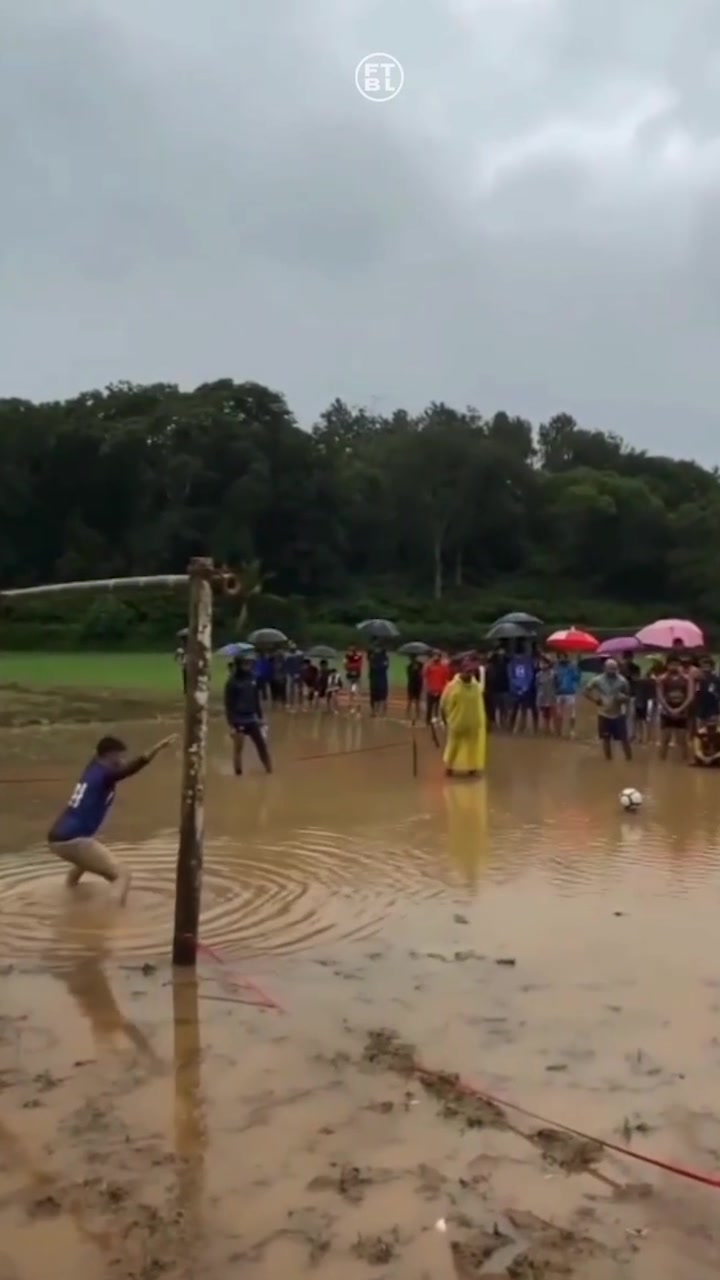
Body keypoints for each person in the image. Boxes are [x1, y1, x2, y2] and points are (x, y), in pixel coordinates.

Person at [48, 733, 176, 903]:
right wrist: (155, 750)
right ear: (110, 756)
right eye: (120, 757)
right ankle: (113, 919)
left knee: (84, 863)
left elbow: (108, 760)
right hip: (74, 839)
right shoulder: (105, 774)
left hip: (57, 838)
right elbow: (130, 769)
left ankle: (69, 895)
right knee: (122, 875)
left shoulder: (92, 767)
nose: (123, 761)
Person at [224, 657, 272, 776]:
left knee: (261, 745)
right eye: (245, 664)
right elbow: (228, 704)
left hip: (252, 718)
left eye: (249, 664)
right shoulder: (232, 682)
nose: (248, 666)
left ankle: (269, 770)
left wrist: (260, 717)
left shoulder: (252, 679)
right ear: (239, 665)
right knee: (238, 749)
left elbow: (256, 700)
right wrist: (231, 724)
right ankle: (238, 774)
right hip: (238, 719)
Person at [439, 658, 487, 779]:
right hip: (457, 722)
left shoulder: (475, 686)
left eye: (471, 672)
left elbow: (481, 694)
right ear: (461, 672)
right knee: (453, 745)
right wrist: (444, 719)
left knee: (472, 747)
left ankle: (472, 768)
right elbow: (443, 703)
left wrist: (482, 673)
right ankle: (449, 767)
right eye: (467, 671)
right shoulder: (452, 686)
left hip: (473, 722)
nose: (469, 674)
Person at [584, 658, 632, 760]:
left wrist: (623, 701)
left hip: (618, 714)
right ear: (604, 668)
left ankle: (629, 760)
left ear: (617, 669)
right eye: (609, 669)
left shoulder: (622, 681)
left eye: (614, 669)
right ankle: (608, 761)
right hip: (604, 713)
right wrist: (595, 700)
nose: (611, 672)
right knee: (606, 739)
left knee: (624, 739)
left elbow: (628, 697)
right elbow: (586, 691)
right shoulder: (597, 680)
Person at [656, 653, 694, 761]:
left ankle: (685, 763)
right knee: (665, 740)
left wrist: (679, 709)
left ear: (679, 665)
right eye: (671, 664)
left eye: (676, 664)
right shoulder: (661, 679)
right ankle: (661, 763)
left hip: (682, 711)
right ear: (667, 665)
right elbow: (660, 696)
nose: (673, 666)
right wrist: (669, 709)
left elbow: (690, 696)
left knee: (683, 741)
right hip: (666, 712)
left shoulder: (687, 679)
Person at [508, 643, 537, 733]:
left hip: (525, 689)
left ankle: (522, 726)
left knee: (524, 709)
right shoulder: (511, 663)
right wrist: (518, 687)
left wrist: (525, 687)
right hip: (515, 690)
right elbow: (511, 676)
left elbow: (530, 675)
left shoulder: (527, 662)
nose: (519, 657)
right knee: (514, 709)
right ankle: (511, 726)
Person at [553, 652, 580, 737]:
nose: (562, 659)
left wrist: (576, 669)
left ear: (566, 658)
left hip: (570, 692)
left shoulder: (572, 667)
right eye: (560, 657)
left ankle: (571, 731)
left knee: (572, 713)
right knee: (559, 714)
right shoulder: (556, 668)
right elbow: (553, 681)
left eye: (563, 657)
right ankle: (559, 732)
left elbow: (577, 678)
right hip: (559, 693)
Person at [425, 650, 450, 725]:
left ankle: (441, 720)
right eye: (434, 655)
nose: (436, 657)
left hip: (440, 690)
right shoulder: (429, 666)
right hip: (431, 689)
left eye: (437, 656)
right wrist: (428, 687)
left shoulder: (443, 667)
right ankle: (428, 720)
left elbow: (446, 678)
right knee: (430, 707)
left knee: (441, 707)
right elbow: (425, 675)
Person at [535, 655, 556, 733]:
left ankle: (550, 728)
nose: (542, 665)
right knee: (544, 713)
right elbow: (536, 686)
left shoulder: (553, 674)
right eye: (541, 663)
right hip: (542, 696)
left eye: (544, 663)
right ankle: (545, 728)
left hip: (550, 696)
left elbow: (556, 684)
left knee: (550, 713)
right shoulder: (538, 675)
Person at [368, 645, 389, 716]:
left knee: (382, 696)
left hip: (381, 678)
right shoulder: (372, 657)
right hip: (375, 678)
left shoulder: (384, 657)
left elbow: (385, 666)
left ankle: (380, 711)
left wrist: (377, 666)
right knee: (374, 695)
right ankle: (374, 711)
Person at [344, 645, 364, 715]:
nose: (350, 652)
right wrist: (352, 667)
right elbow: (345, 665)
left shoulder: (358, 656)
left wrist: (351, 667)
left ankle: (358, 709)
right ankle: (350, 707)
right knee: (351, 693)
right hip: (350, 678)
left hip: (356, 677)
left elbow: (359, 665)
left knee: (357, 693)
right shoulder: (347, 657)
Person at [406, 656, 424, 722]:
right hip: (411, 685)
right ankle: (407, 713)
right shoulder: (409, 667)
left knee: (417, 701)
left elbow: (422, 674)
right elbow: (409, 676)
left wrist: (418, 670)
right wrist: (414, 670)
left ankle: (418, 714)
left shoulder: (420, 665)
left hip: (418, 686)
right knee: (410, 700)